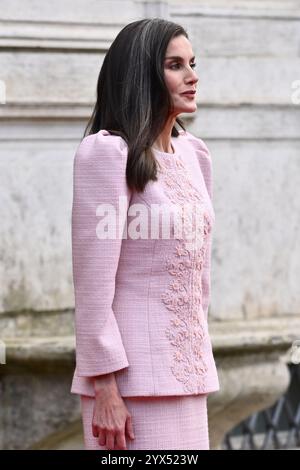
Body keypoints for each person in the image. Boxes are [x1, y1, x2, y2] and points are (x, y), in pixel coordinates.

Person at [70, 17, 220, 451]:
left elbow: (199, 276)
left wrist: (196, 350)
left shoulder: (195, 155)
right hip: (129, 389)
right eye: (175, 65)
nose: (192, 77)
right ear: (143, 75)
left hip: (189, 374)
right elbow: (93, 284)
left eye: (193, 63)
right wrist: (104, 388)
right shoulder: (107, 154)